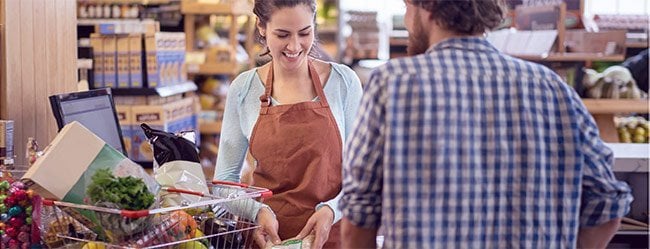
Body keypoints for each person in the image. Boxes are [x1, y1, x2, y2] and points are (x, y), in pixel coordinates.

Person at [339, 0, 633, 248]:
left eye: (406, 6)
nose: (406, 18)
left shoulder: (392, 83)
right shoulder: (553, 88)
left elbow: (359, 213)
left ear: (425, 7)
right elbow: (607, 204)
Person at [213, 0, 362, 248]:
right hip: (268, 240)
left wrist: (331, 211)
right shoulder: (243, 89)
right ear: (261, 27)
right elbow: (223, 182)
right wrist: (257, 212)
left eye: (305, 33)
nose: (294, 46)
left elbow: (362, 176)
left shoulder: (343, 83)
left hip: (333, 238)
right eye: (282, 34)